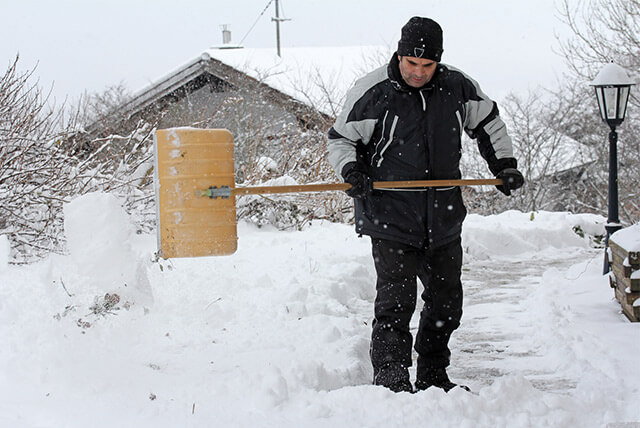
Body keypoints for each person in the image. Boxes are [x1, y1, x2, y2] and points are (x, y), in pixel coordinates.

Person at [327, 16, 524, 393]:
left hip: (444, 217)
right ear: (399, 55)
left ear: (439, 61)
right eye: (411, 63)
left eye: (427, 65)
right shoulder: (373, 92)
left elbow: (489, 124)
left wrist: (504, 165)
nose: (418, 72)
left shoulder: (457, 87)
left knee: (446, 301)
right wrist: (352, 169)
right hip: (390, 215)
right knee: (396, 302)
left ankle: (433, 374)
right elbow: (340, 140)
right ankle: (391, 379)